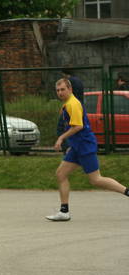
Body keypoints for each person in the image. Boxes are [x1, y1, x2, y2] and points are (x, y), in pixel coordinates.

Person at [47, 78, 129, 222]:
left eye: (63, 89)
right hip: (77, 147)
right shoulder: (67, 104)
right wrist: (71, 145)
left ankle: (127, 192)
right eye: (58, 90)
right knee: (61, 174)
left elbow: (78, 126)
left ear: (70, 89)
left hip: (85, 146)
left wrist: (61, 138)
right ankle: (64, 211)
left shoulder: (73, 104)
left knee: (96, 180)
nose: (60, 92)